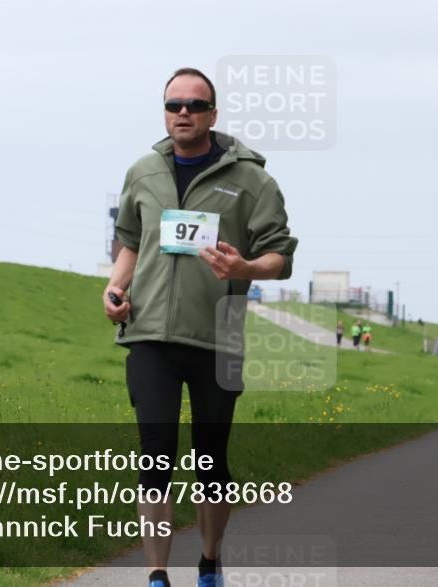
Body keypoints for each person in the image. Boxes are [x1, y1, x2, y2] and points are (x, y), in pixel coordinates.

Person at [104, 67, 298, 587]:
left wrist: (246, 268)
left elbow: (280, 255)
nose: (183, 113)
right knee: (155, 459)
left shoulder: (252, 180)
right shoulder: (143, 172)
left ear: (213, 114)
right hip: (150, 336)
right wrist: (115, 289)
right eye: (174, 105)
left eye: (194, 105)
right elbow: (130, 241)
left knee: (210, 461)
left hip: (219, 337)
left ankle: (209, 562)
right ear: (165, 113)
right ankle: (157, 575)